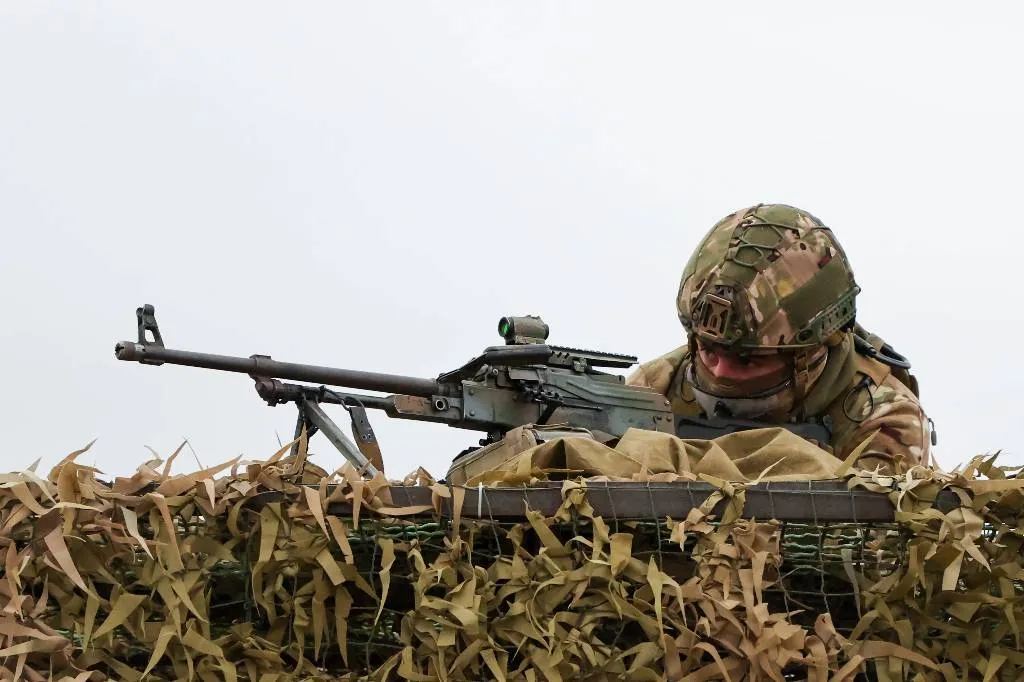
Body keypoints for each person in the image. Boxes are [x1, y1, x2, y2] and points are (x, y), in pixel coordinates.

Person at [627, 203, 933, 472]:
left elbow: (867, 533)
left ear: (809, 356)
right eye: (708, 350)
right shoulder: (657, 388)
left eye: (747, 360)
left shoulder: (883, 419)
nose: (720, 371)